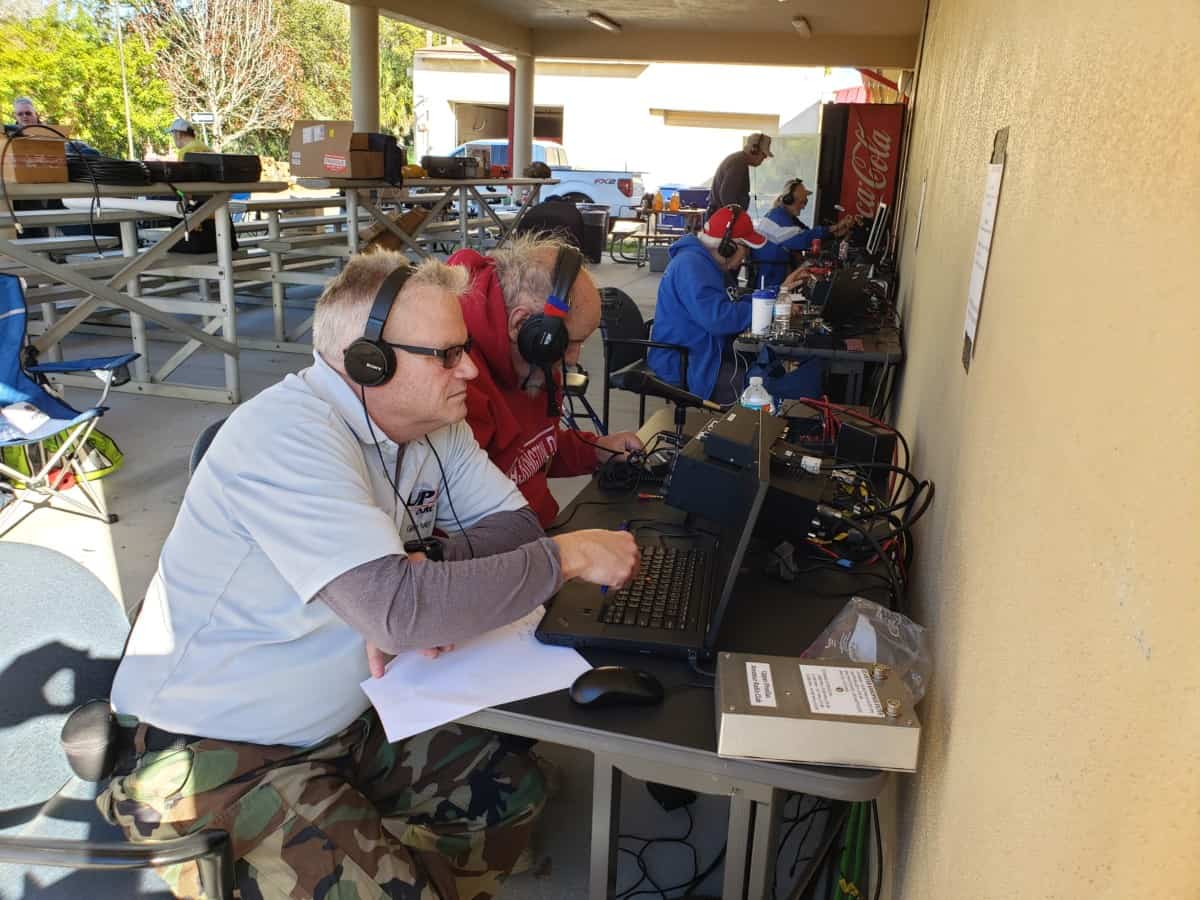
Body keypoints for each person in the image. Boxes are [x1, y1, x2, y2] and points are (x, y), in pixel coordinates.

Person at [98, 250, 639, 900]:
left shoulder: (433, 424)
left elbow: (516, 528)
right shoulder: (286, 436)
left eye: (466, 349)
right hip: (212, 749)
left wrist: (424, 571)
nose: (470, 369)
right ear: (367, 363)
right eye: (446, 355)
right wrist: (566, 558)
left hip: (341, 720)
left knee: (511, 792)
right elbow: (404, 614)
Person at [450, 235, 643, 527]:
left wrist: (597, 449)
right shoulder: (458, 386)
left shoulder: (535, 364)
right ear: (522, 325)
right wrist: (561, 551)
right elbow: (466, 532)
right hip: (506, 546)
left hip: (538, 536)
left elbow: (533, 451)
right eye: (569, 342)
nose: (573, 358)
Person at [646, 205, 767, 404]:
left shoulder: (707, 264)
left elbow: (731, 301)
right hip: (685, 361)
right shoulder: (691, 265)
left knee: (763, 370)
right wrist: (765, 310)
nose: (746, 257)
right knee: (762, 389)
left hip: (702, 352)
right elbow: (718, 319)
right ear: (728, 246)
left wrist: (768, 299)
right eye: (745, 249)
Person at [752, 179, 860, 290]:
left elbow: (807, 233)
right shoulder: (778, 217)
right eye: (802, 202)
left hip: (776, 270)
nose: (803, 206)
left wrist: (835, 233)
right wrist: (835, 227)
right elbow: (804, 239)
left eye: (806, 202)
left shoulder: (783, 215)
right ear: (789, 200)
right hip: (770, 278)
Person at [705, 132, 774, 218]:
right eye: (764, 154)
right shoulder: (738, 163)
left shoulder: (739, 160)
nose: (764, 158)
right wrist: (737, 218)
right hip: (723, 218)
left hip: (721, 215)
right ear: (754, 150)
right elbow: (727, 196)